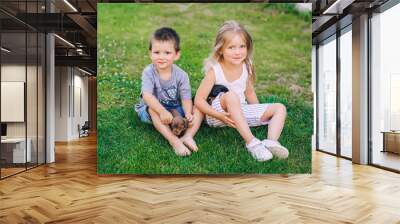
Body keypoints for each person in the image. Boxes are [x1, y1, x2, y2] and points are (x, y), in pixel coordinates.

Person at [194, 20, 289, 162]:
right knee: (231, 96)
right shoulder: (215, 71)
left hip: (240, 111)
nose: (237, 52)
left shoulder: (247, 65)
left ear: (248, 47)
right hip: (218, 114)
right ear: (220, 49)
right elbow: (199, 100)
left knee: (280, 108)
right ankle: (252, 143)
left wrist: (257, 110)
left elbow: (249, 92)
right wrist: (219, 116)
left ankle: (271, 142)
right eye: (231, 47)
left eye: (242, 46)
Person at [135, 27, 203, 156]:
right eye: (156, 52)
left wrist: (188, 113)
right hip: (153, 110)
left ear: (176, 54)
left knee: (199, 106)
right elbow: (147, 96)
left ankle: (187, 136)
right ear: (150, 53)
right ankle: (174, 141)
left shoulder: (182, 75)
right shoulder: (148, 72)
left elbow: (186, 98)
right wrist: (162, 111)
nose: (161, 57)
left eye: (167, 52)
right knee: (151, 109)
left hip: (175, 110)